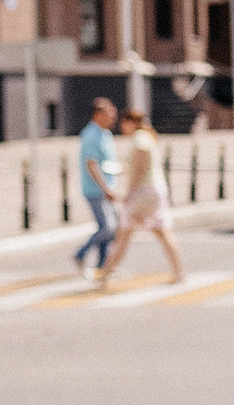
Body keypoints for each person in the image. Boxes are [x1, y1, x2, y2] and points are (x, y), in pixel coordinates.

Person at [97, 112, 183, 288]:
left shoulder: (139, 138)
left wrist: (129, 193)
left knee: (123, 235)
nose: (122, 128)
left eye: (124, 124)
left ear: (131, 122)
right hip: (156, 190)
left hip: (143, 192)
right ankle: (179, 272)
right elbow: (137, 165)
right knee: (162, 232)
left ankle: (106, 275)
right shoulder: (147, 137)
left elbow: (140, 167)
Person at [73, 96, 120, 277]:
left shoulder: (105, 134)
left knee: (109, 229)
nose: (112, 119)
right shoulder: (91, 135)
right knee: (108, 227)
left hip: (107, 187)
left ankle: (103, 266)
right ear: (98, 115)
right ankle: (81, 253)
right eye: (109, 115)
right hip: (96, 190)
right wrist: (105, 188)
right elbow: (91, 164)